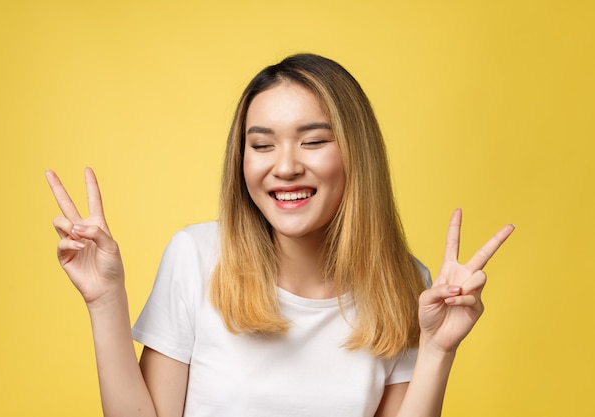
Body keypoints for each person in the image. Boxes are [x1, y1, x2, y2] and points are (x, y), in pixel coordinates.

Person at [46, 53, 514, 417]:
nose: (285, 167)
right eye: (262, 145)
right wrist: (104, 300)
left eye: (313, 141)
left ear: (357, 155)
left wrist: (437, 351)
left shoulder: (406, 282)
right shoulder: (196, 257)